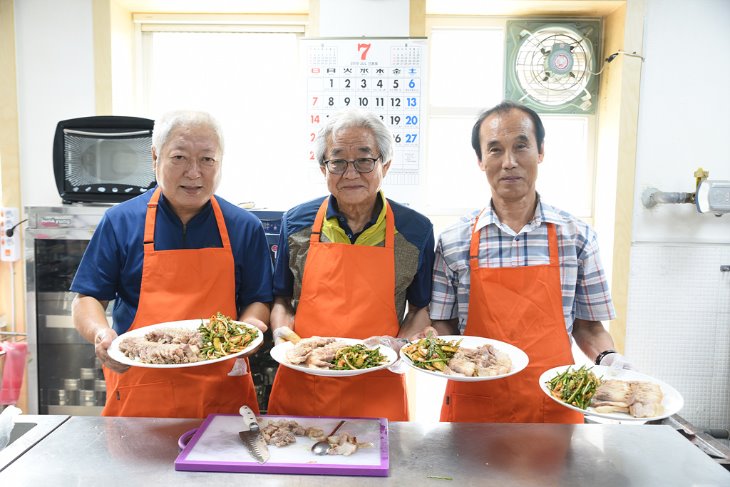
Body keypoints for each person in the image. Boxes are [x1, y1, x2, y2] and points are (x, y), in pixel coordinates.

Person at [431, 100, 629, 423]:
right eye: (495, 150)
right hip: (474, 409)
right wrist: (423, 349)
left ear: (540, 152)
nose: (509, 162)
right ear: (480, 161)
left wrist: (610, 360)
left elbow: (589, 327)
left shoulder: (577, 238)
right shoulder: (453, 241)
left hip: (553, 408)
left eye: (521, 146)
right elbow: (443, 324)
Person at [71, 110, 273, 418]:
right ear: (155, 158)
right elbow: (87, 298)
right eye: (179, 157)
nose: (194, 173)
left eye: (207, 159)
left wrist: (245, 331)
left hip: (222, 393)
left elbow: (257, 299)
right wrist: (101, 333)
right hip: (141, 392)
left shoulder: (244, 226)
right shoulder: (120, 221)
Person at [267, 108, 435, 421]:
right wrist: (281, 336)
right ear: (323, 168)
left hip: (379, 384)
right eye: (338, 161)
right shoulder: (296, 223)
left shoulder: (415, 231)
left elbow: (419, 310)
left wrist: (399, 345)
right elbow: (281, 300)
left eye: (364, 160)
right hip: (305, 380)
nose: (351, 173)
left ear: (385, 164)